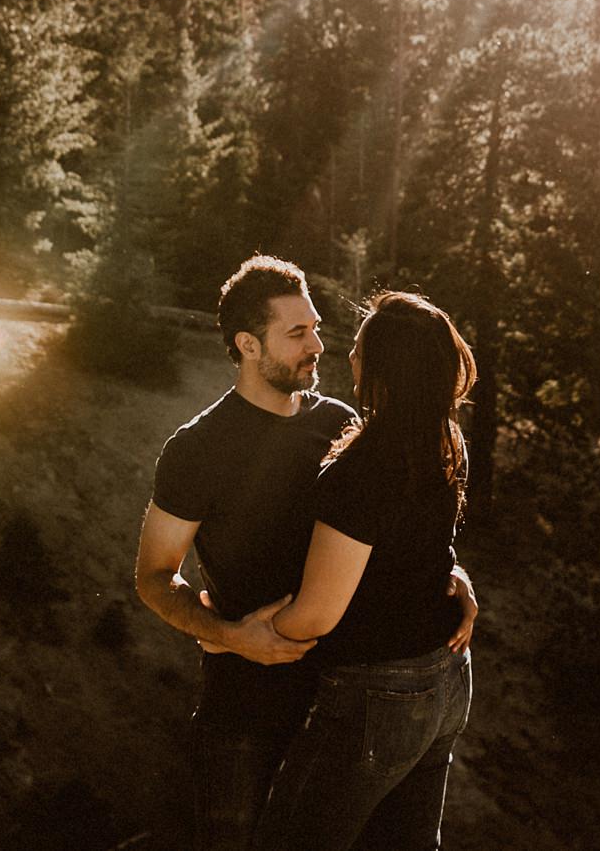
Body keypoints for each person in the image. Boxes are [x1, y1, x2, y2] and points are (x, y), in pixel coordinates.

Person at [134, 257, 474, 851]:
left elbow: (395, 525)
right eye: (297, 333)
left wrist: (451, 573)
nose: (319, 344)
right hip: (245, 715)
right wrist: (232, 635)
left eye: (316, 327)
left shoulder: (341, 425)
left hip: (343, 703)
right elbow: (154, 577)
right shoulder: (196, 449)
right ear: (247, 344)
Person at [253, 292, 478, 851]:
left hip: (378, 696)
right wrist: (459, 579)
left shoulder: (364, 471)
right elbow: (422, 551)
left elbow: (316, 615)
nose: (347, 356)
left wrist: (239, 635)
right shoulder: (444, 440)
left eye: (358, 348)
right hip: (447, 681)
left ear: (384, 369)